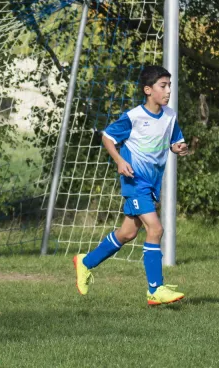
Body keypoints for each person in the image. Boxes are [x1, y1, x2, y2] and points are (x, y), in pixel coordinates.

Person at [73, 65, 188, 305]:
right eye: (162, 86)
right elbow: (108, 137)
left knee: (128, 233)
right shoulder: (134, 117)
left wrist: (179, 148)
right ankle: (155, 289)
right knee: (155, 230)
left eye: (169, 86)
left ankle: (85, 262)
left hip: (151, 183)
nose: (168, 91)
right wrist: (119, 160)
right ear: (148, 90)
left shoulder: (170, 116)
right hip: (135, 180)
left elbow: (175, 141)